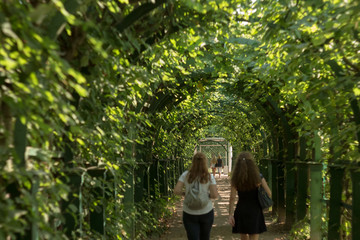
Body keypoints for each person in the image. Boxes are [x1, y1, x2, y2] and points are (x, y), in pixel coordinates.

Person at [174, 152, 219, 240]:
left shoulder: (185, 175)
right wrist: (206, 195)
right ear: (205, 162)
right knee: (205, 237)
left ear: (193, 162)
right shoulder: (209, 176)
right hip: (206, 211)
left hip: (189, 212)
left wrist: (185, 193)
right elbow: (214, 195)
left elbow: (176, 191)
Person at [228, 152, 271, 240]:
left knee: (243, 236)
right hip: (255, 210)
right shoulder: (258, 177)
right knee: (254, 235)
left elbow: (232, 198)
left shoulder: (236, 179)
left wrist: (230, 214)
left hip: (241, 209)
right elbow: (269, 193)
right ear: (252, 163)